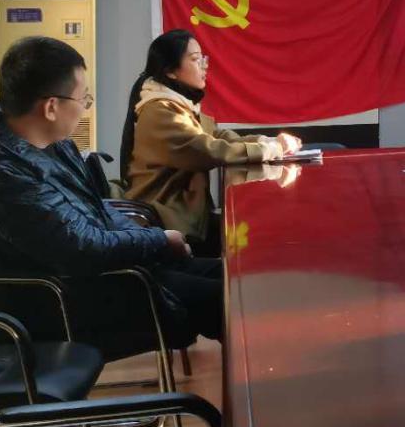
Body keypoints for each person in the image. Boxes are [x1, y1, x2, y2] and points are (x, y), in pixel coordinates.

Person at [0, 36, 221, 350]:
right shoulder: (4, 177)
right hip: (65, 304)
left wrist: (153, 241)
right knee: (224, 299)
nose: (86, 106)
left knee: (235, 277)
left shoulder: (54, 144)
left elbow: (96, 207)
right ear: (51, 107)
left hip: (108, 273)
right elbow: (82, 248)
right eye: (83, 98)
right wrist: (158, 240)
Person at [120, 30, 300, 257]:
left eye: (203, 58)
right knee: (256, 247)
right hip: (168, 219)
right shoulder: (161, 111)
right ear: (170, 71)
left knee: (262, 237)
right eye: (195, 60)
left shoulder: (177, 103)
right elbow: (209, 150)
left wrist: (269, 142)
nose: (204, 66)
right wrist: (271, 149)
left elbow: (217, 135)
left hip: (188, 214)